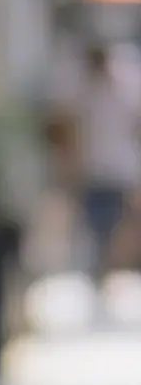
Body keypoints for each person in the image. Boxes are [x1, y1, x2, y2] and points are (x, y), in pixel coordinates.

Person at [71, 39, 141, 280]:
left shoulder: (126, 89)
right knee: (98, 226)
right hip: (96, 171)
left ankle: (114, 270)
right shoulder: (84, 93)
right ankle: (105, 270)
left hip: (120, 171)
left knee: (119, 226)